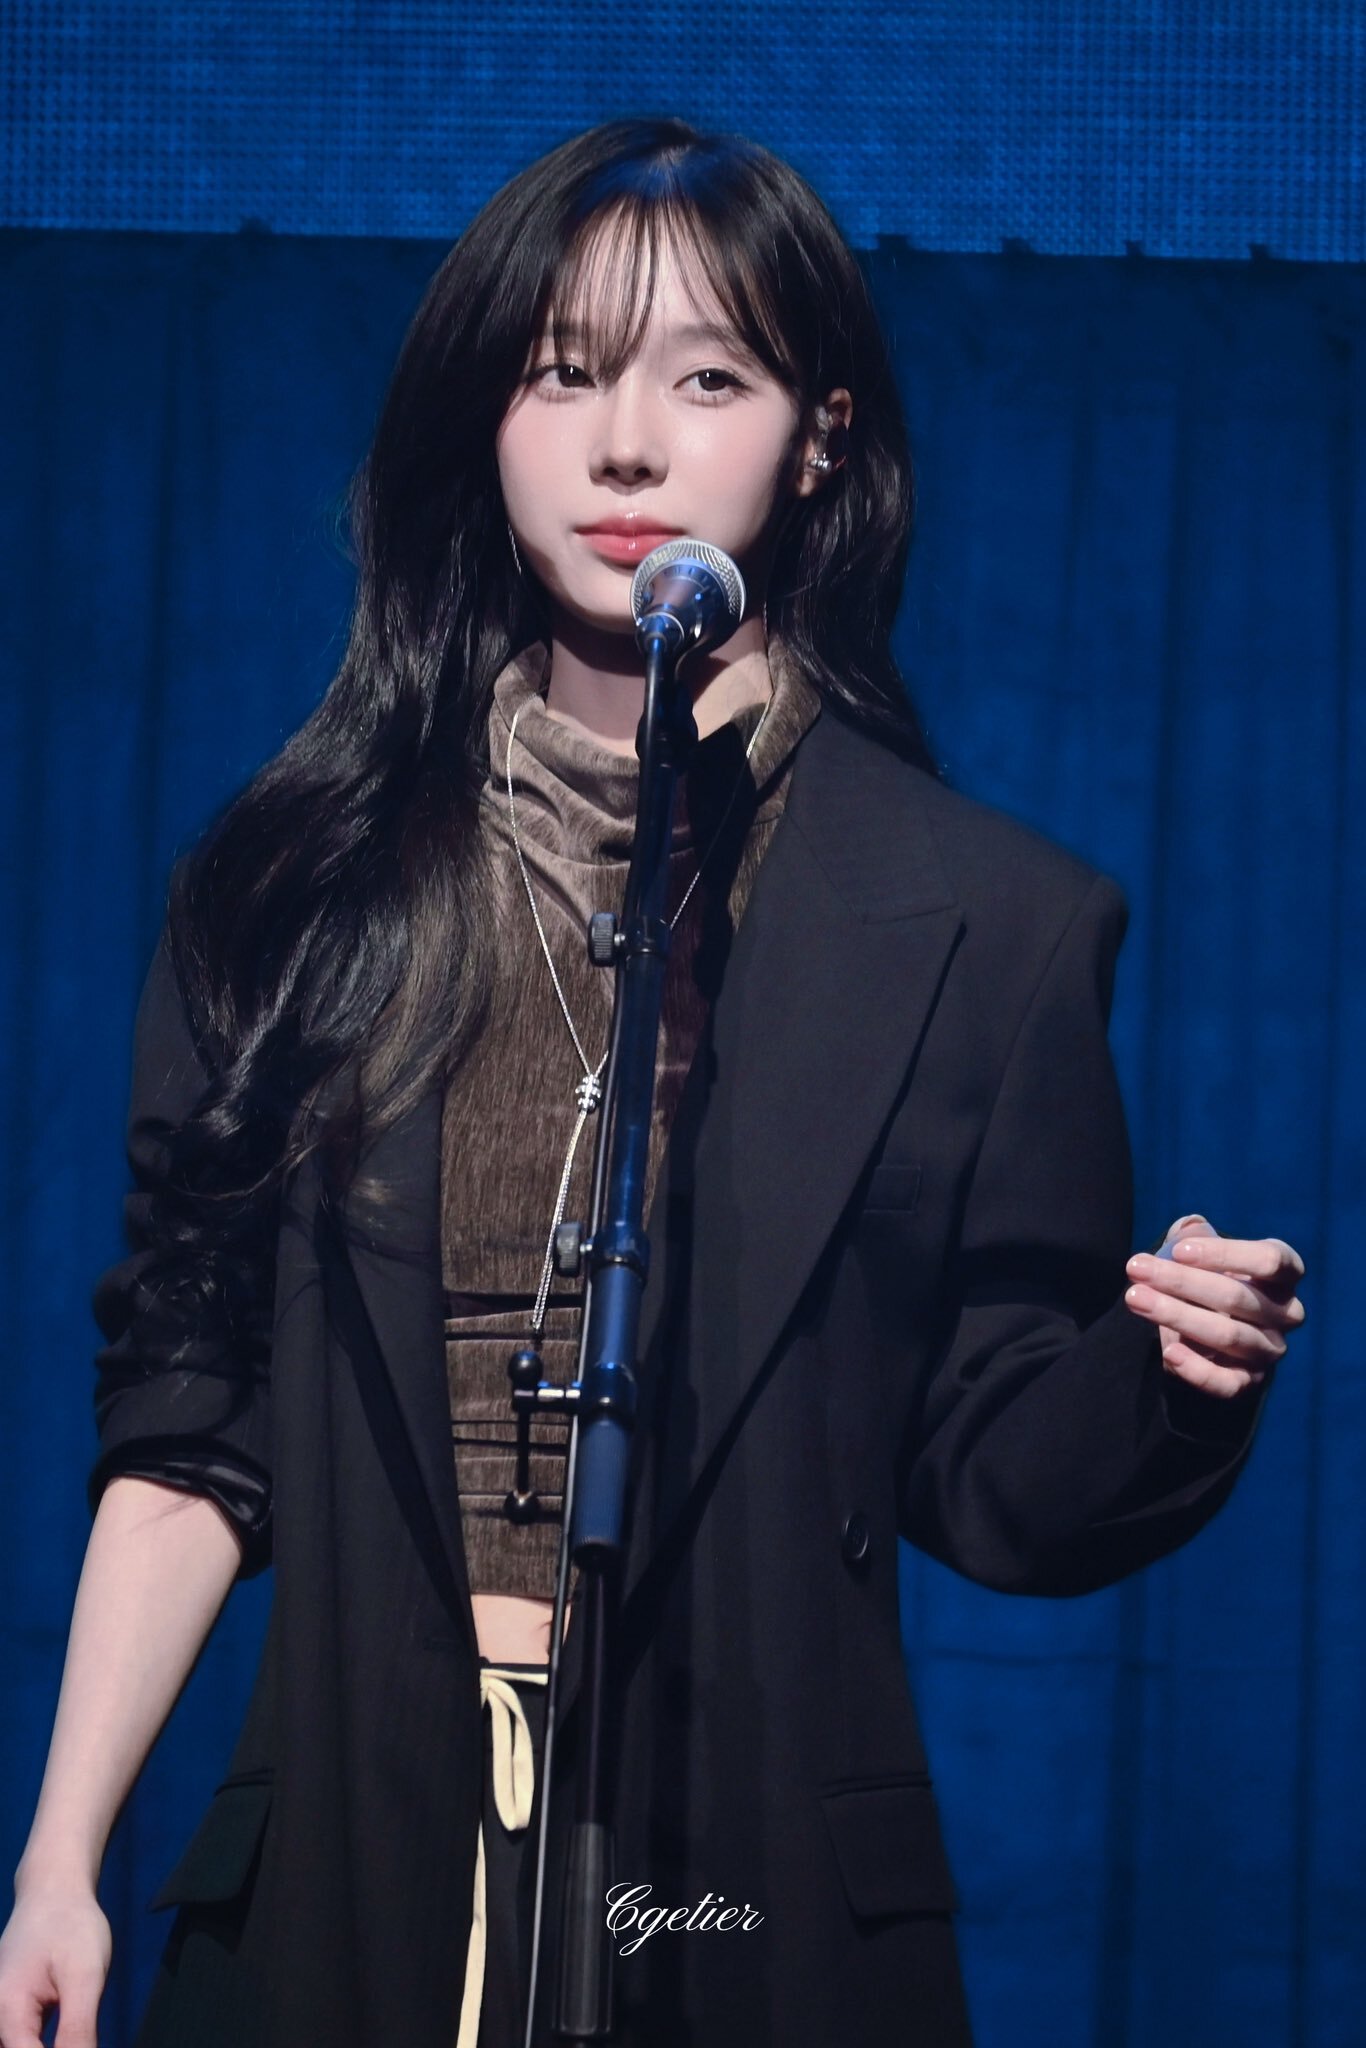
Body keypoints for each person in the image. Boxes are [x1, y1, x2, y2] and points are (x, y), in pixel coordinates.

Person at [0, 118, 1306, 2048]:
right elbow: (191, 1426)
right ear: (486, 419)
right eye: (561, 374)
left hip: (750, 1893)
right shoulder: (296, 895)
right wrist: (60, 1856)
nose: (626, 448)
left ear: (819, 436)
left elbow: (993, 1478)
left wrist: (1169, 1376)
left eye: (706, 379)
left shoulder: (989, 924)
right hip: (348, 1873)